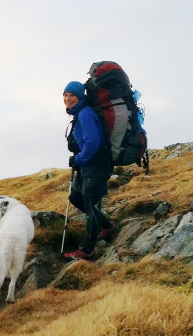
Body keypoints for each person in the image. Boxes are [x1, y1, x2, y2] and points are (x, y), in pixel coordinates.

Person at [62, 81, 117, 261]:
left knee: (92, 206)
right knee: (76, 197)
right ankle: (107, 228)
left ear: (80, 97)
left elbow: (93, 143)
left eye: (72, 95)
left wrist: (78, 159)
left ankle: (87, 251)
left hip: (96, 165)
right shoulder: (80, 113)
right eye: (66, 95)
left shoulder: (85, 114)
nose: (68, 98)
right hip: (88, 166)